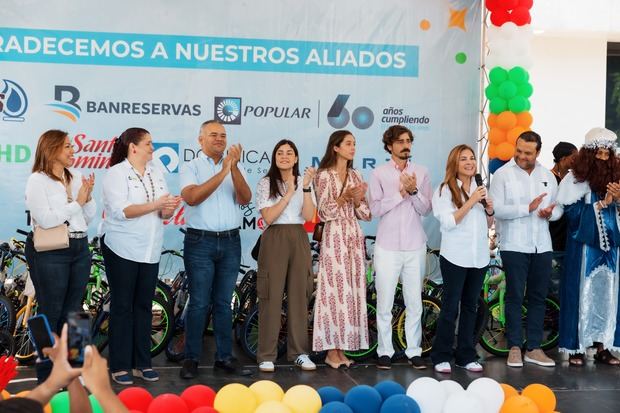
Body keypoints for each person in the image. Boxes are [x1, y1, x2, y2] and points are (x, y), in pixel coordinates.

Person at [101, 127, 181, 385]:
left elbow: (163, 214)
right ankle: (119, 365)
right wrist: (158, 205)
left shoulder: (156, 171)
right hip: (122, 247)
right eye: (148, 144)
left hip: (150, 248)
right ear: (132, 147)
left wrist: (169, 208)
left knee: (145, 306)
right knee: (123, 306)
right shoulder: (116, 174)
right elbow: (122, 210)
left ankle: (141, 363)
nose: (152, 148)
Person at [179, 120, 252, 379]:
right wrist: (224, 170)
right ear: (200, 140)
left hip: (231, 241)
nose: (220, 139)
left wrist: (233, 169)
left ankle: (224, 357)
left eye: (223, 135)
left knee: (223, 303)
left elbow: (245, 198)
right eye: (213, 135)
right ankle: (191, 359)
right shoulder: (191, 166)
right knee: (199, 303)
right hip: (200, 242)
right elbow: (192, 197)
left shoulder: (235, 165)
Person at [24, 130, 95, 382]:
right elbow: (45, 219)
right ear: (52, 149)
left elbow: (86, 217)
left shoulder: (75, 176)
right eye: (67, 146)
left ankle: (76, 371)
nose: (73, 150)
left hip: (80, 246)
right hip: (51, 251)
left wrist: (87, 198)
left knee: (76, 311)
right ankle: (46, 374)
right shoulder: (37, 180)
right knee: (50, 311)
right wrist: (77, 203)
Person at [489, 131, 560, 368]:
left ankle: (534, 348)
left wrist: (550, 213)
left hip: (542, 245)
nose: (521, 156)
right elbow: (496, 209)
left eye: (527, 153)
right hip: (514, 245)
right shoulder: (502, 175)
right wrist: (526, 208)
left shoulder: (548, 176)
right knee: (514, 296)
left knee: (539, 297)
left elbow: (558, 209)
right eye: (518, 150)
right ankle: (515, 347)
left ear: (537, 152)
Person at [368, 125, 432, 370]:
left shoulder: (422, 172)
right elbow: (374, 210)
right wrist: (400, 193)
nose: (406, 145)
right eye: (400, 141)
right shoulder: (379, 174)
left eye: (408, 141)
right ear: (389, 146)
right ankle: (385, 351)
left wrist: (414, 191)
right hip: (387, 245)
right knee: (384, 301)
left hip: (415, 244)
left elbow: (426, 209)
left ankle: (413, 350)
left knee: (414, 301)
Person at [556, 128, 620, 366]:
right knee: (580, 291)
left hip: (612, 249)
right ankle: (577, 348)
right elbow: (571, 214)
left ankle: (603, 346)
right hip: (583, 247)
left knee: (608, 294)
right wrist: (601, 204)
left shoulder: (617, 177)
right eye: (599, 153)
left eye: (607, 154)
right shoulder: (574, 179)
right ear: (589, 154)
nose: (603, 159)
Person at [430, 145, 494, 373]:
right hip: (455, 256)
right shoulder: (444, 190)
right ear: (454, 164)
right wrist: (471, 200)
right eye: (463, 159)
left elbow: (487, 225)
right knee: (450, 308)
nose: (469, 162)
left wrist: (489, 210)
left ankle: (466, 355)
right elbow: (448, 222)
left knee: (471, 306)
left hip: (478, 257)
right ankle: (441, 355)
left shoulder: (480, 188)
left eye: (472, 158)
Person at [255, 139, 317, 372]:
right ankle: (267, 354)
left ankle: (299, 352)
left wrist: (306, 188)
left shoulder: (304, 181)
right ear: (274, 157)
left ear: (296, 158)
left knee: (300, 295)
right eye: (279, 152)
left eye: (289, 153)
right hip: (274, 238)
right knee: (270, 295)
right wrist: (288, 194)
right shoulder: (265, 183)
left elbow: (309, 216)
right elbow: (268, 217)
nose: (284, 156)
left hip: (299, 237)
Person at [312, 130, 371, 368]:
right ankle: (330, 350)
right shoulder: (323, 175)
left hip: (353, 236)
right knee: (334, 292)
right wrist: (343, 197)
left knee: (351, 291)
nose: (353, 147)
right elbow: (324, 212)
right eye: (348, 143)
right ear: (335, 147)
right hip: (334, 235)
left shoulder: (356, 174)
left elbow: (366, 213)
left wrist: (356, 199)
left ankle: (342, 349)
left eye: (354, 143)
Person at [549, 142, 577, 252]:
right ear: (563, 159)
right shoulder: (549, 177)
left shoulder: (573, 179)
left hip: (569, 233)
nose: (577, 161)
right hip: (554, 232)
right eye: (574, 158)